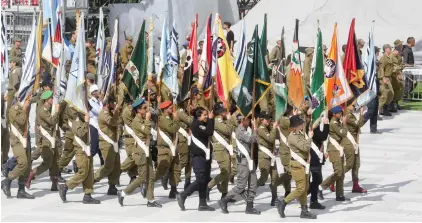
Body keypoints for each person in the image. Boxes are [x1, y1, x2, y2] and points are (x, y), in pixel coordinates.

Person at [117, 98, 162, 207]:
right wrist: (147, 120)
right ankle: (123, 193)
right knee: (142, 177)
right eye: (144, 108)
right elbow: (146, 131)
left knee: (151, 176)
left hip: (146, 151)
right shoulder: (136, 121)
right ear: (138, 110)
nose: (147, 110)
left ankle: (150, 200)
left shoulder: (142, 118)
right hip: (140, 152)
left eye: (146, 107)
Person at [218, 114, 261, 215]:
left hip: (249, 161)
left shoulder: (247, 130)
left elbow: (256, 141)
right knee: (241, 186)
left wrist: (253, 130)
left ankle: (249, 207)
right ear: (242, 121)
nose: (250, 121)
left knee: (253, 184)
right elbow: (252, 140)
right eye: (248, 119)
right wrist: (255, 128)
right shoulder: (240, 131)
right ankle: (224, 200)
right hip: (243, 162)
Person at [276, 115, 316, 219]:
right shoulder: (292, 137)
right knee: (300, 188)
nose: (302, 124)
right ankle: (283, 202)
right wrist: (310, 137)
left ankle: (304, 210)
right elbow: (305, 147)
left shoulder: (299, 134)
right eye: (300, 123)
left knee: (305, 188)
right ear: (295, 126)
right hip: (297, 165)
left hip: (303, 164)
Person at [57, 109, 100, 204]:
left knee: (89, 173)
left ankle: (87, 195)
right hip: (81, 150)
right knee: (83, 172)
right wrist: (86, 122)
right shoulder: (76, 121)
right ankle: (65, 186)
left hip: (87, 148)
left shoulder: (82, 120)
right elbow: (80, 133)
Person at [177, 107, 215, 211]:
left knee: (205, 180)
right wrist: (211, 119)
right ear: (198, 116)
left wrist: (210, 120)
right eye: (204, 115)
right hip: (198, 157)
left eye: (207, 115)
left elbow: (209, 129)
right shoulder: (196, 125)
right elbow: (209, 132)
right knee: (200, 179)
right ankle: (183, 195)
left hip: (205, 156)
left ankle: (202, 203)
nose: (206, 116)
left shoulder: (202, 123)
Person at [26, 91, 61, 191]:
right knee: (47, 163)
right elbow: (52, 121)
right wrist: (57, 112)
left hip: (53, 138)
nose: (53, 100)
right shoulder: (43, 111)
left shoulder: (49, 109)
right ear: (47, 99)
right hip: (46, 140)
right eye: (51, 98)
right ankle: (32, 174)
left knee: (55, 162)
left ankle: (54, 184)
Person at [1, 95, 34, 199]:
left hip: (26, 138)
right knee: (22, 163)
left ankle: (21, 190)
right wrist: (25, 107)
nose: (29, 99)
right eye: (27, 97)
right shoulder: (13, 108)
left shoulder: (24, 106)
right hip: (17, 140)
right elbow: (21, 121)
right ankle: (7, 180)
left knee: (27, 166)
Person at [206, 102, 236, 201]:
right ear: (219, 112)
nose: (225, 112)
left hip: (225, 148)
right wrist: (229, 119)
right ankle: (209, 186)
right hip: (220, 149)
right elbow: (228, 131)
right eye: (223, 111)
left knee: (227, 172)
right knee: (225, 172)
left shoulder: (221, 119)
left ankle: (224, 194)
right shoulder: (217, 120)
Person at [318, 106, 349, 201]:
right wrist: (344, 124)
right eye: (339, 113)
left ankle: (340, 195)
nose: (341, 114)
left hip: (339, 149)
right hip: (333, 149)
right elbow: (343, 134)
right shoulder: (333, 123)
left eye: (341, 113)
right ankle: (321, 187)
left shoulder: (337, 122)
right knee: (338, 171)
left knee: (341, 173)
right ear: (334, 114)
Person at [93, 97, 121, 195]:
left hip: (113, 142)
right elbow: (112, 122)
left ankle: (112, 186)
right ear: (108, 104)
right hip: (106, 143)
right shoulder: (104, 113)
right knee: (108, 166)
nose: (115, 105)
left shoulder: (110, 113)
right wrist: (116, 111)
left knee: (116, 165)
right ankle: (92, 179)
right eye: (113, 104)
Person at [155, 100, 181, 198]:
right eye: (170, 108)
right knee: (161, 171)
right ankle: (148, 184)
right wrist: (176, 119)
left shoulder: (170, 118)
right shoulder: (162, 118)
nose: (173, 110)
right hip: (165, 148)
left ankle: (173, 190)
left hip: (173, 147)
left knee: (176, 169)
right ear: (165, 110)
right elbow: (173, 129)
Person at [305, 113, 329, 209]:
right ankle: (308, 197)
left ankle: (312, 200)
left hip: (316, 157)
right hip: (313, 158)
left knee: (316, 179)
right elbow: (322, 137)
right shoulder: (310, 128)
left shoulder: (310, 127)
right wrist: (326, 125)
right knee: (317, 179)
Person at [343, 100, 367, 193]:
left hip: (355, 142)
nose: (354, 107)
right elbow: (359, 124)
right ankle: (333, 180)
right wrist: (361, 113)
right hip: (350, 142)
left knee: (356, 164)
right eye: (353, 105)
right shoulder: (348, 115)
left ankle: (355, 185)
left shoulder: (350, 114)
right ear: (348, 106)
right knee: (349, 165)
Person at [256, 113, 279, 206]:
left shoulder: (268, 128)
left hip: (271, 156)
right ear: (261, 120)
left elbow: (276, 137)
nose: (269, 121)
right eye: (267, 119)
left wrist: (275, 128)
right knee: (263, 179)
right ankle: (250, 191)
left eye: (269, 119)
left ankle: (274, 198)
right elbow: (270, 139)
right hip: (264, 156)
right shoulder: (260, 129)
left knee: (275, 177)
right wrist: (273, 128)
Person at [177, 98, 194, 189]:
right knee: (183, 161)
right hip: (183, 138)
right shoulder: (180, 112)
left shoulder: (185, 111)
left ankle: (187, 181)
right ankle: (172, 176)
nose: (189, 102)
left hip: (188, 137)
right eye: (187, 101)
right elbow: (190, 121)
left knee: (189, 162)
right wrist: (191, 112)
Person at [88, 85, 104, 165]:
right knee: (94, 146)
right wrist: (101, 101)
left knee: (99, 144)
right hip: (93, 125)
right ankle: (83, 161)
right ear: (93, 93)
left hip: (98, 125)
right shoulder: (91, 102)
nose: (98, 92)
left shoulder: (97, 101)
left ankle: (102, 161)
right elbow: (99, 112)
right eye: (97, 91)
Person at [378, 44, 395, 115]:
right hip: (384, 78)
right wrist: (383, 78)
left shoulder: (389, 57)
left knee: (391, 94)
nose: (391, 49)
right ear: (386, 49)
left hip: (389, 78)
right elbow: (381, 68)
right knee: (384, 94)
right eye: (389, 48)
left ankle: (385, 108)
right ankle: (379, 109)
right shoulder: (383, 58)